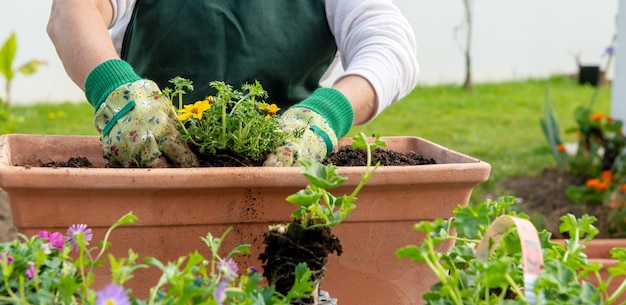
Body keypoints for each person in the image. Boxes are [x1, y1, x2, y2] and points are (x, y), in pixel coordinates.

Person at [47, 0, 419, 168]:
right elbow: (72, 10)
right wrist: (116, 91)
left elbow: (388, 44)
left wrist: (330, 112)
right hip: (150, 166)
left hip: (290, 175)